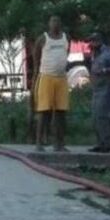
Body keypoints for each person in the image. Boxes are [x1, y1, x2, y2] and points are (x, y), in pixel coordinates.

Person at [33, 16, 70, 152]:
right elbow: (36, 57)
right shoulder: (43, 39)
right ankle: (39, 142)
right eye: (52, 21)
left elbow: (66, 53)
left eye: (57, 21)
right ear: (48, 24)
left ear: (61, 24)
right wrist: (36, 76)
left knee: (61, 112)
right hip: (46, 77)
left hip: (61, 78)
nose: (55, 23)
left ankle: (59, 143)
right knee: (43, 111)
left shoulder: (66, 38)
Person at [88, 33, 110, 153]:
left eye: (92, 41)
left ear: (98, 41)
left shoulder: (108, 52)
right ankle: (100, 142)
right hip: (96, 88)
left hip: (106, 88)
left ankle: (107, 143)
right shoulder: (94, 54)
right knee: (95, 117)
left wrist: (104, 70)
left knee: (103, 116)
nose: (90, 44)